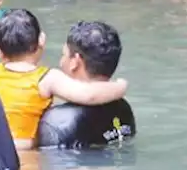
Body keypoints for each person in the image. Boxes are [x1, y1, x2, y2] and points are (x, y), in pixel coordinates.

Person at [0, 10, 129, 150]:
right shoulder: (47, 78)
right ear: (41, 41)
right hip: (26, 149)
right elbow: (88, 94)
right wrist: (120, 87)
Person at [35, 21, 136, 150]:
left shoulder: (56, 123)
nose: (61, 62)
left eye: (64, 55)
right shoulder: (124, 109)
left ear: (75, 62)